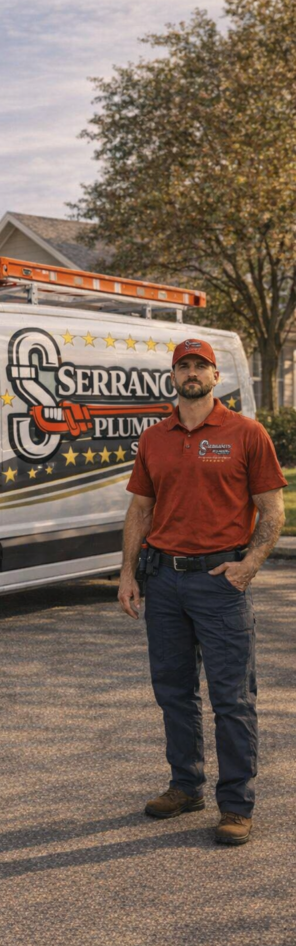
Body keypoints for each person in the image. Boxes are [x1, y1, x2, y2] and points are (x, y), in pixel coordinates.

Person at [118, 338, 286, 845]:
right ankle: (185, 785)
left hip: (220, 583)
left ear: (216, 376)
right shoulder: (154, 438)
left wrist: (248, 566)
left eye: (201, 366)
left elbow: (272, 508)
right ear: (173, 376)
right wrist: (128, 573)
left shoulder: (246, 433)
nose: (191, 373)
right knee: (173, 692)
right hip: (163, 580)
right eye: (183, 366)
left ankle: (236, 805)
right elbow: (140, 510)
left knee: (233, 699)